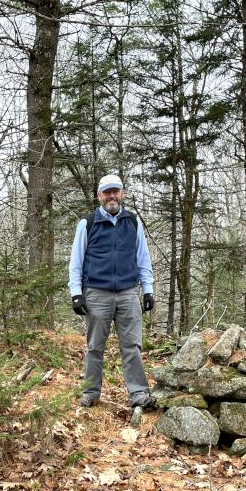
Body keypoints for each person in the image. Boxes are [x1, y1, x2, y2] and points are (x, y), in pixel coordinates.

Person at [68, 174, 154, 409]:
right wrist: (76, 293)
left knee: (132, 346)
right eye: (107, 192)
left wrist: (148, 290)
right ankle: (91, 392)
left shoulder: (133, 222)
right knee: (95, 346)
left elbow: (143, 259)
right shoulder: (87, 223)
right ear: (99, 196)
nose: (112, 196)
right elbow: (76, 262)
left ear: (122, 193)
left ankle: (138, 394)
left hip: (128, 293)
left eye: (115, 191)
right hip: (96, 293)